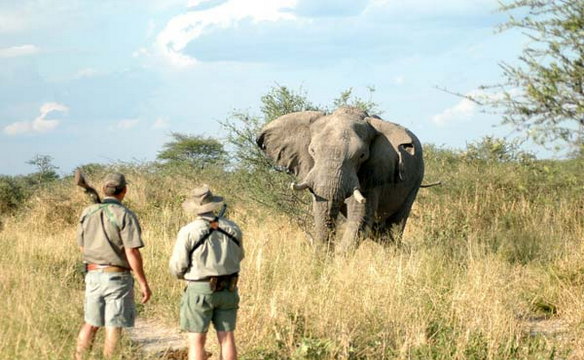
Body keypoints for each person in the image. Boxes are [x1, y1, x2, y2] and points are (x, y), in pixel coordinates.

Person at [75, 172, 152, 359]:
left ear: (103, 190)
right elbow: (131, 251)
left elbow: (82, 246)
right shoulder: (124, 214)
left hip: (93, 274)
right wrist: (143, 283)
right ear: (124, 190)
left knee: (90, 323)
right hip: (117, 278)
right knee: (114, 325)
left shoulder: (88, 212)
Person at [169, 185, 244, 360]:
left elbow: (178, 266)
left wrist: (185, 275)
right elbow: (239, 256)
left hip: (199, 289)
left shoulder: (188, 231)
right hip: (228, 289)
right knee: (227, 338)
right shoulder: (233, 227)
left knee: (196, 341)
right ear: (214, 204)